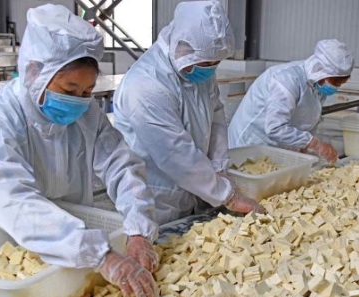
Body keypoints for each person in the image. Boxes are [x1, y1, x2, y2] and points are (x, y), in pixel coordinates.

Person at [0, 5, 160, 297]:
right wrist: (102, 255)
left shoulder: (87, 113)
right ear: (35, 73)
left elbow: (121, 164)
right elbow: (17, 204)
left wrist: (139, 229)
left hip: (69, 240)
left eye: (87, 91)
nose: (78, 101)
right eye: (69, 89)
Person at [113, 1, 264, 225]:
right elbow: (175, 153)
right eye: (206, 62)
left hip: (197, 187)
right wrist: (228, 195)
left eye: (215, 62)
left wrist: (219, 167)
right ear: (183, 47)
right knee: (163, 239)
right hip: (157, 196)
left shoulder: (197, 67)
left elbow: (216, 116)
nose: (210, 68)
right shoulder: (147, 84)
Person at [228, 39, 354, 163]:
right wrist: (313, 143)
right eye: (335, 83)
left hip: (276, 147)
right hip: (252, 142)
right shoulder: (287, 80)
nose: (336, 88)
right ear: (321, 71)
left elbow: (307, 119)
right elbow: (275, 128)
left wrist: (304, 147)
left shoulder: (318, 85)